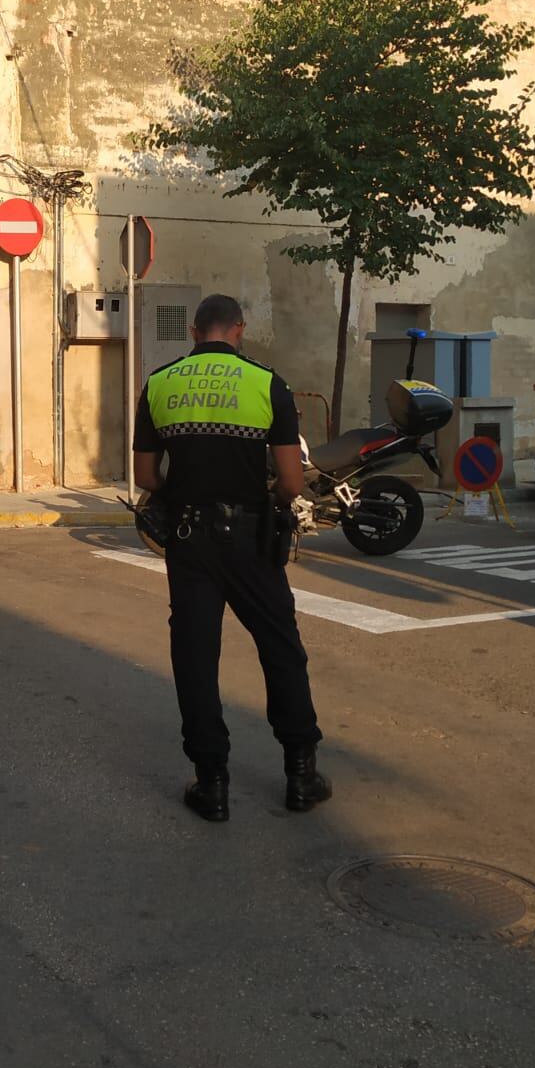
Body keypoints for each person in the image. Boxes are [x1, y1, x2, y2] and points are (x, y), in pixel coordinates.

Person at [132, 294, 330, 823]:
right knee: (281, 649)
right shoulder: (269, 385)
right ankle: (301, 775)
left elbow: (147, 479)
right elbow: (290, 482)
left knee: (196, 657)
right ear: (238, 330)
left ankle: (212, 783)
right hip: (252, 540)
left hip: (189, 540)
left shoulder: (160, 384)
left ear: (194, 332)